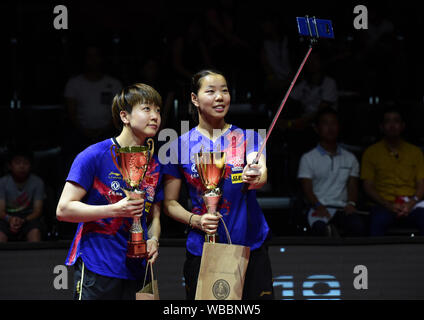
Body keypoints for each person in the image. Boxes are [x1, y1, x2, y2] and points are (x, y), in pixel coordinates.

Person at [163, 69, 274, 300]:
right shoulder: (179, 146)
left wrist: (254, 175)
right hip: (203, 249)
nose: (220, 97)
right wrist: (197, 221)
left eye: (224, 91)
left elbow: (261, 173)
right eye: (211, 91)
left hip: (249, 246)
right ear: (195, 99)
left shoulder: (249, 138)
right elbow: (170, 203)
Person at [56, 83, 163, 300]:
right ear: (125, 116)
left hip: (138, 269)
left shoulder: (154, 164)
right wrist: (115, 209)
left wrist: (154, 239)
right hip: (99, 265)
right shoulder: (94, 155)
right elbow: (64, 209)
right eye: (147, 109)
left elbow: (154, 214)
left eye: (158, 110)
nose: (155, 117)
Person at [298, 107, 365, 236]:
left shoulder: (350, 158)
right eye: (325, 123)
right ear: (317, 128)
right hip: (317, 208)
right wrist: (318, 205)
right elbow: (307, 189)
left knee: (358, 226)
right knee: (319, 229)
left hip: (342, 209)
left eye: (333, 123)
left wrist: (351, 203)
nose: (330, 128)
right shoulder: (308, 158)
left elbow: (352, 186)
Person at [361, 107, 424, 236]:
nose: (392, 125)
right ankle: (377, 256)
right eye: (388, 121)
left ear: (402, 126)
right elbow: (368, 186)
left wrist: (411, 203)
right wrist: (388, 205)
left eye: (396, 121)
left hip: (411, 205)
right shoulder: (371, 152)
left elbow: (421, 183)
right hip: (383, 205)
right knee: (377, 222)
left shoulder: (415, 152)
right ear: (382, 127)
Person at [64, 45, 123, 145]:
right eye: (90, 56)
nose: (93, 60)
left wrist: (105, 130)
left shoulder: (114, 84)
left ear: (101, 59)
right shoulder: (74, 83)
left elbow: (118, 111)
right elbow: (71, 112)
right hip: (80, 134)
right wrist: (84, 130)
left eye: (96, 56)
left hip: (108, 134)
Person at [0, 148, 45, 242]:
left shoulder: (37, 182)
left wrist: (23, 220)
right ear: (10, 165)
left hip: (29, 217)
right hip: (7, 217)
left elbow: (38, 210)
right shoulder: (3, 182)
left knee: (35, 231)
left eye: (25, 163)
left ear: (31, 165)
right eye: (17, 163)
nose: (22, 166)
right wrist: (10, 219)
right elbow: (1, 210)